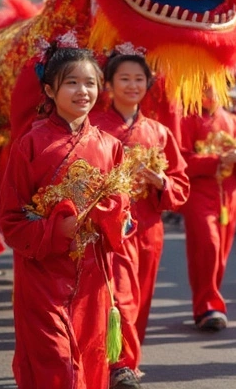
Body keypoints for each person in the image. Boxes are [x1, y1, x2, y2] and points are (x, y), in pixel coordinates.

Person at [0, 41, 133, 389]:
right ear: (49, 90)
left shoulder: (110, 146)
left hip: (92, 277)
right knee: (57, 364)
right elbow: (10, 218)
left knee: (89, 359)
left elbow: (124, 210)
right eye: (71, 82)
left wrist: (109, 214)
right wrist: (58, 229)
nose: (82, 91)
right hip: (42, 276)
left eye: (90, 83)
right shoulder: (29, 144)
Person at [94, 48, 190, 388]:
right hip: (108, 228)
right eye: (124, 78)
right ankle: (121, 366)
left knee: (142, 297)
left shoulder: (159, 133)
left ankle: (127, 361)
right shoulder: (95, 128)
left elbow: (181, 184)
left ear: (148, 84)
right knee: (120, 296)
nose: (132, 85)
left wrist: (161, 181)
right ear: (108, 84)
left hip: (148, 228)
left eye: (139, 79)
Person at [179, 83, 236, 331]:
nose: (212, 94)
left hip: (228, 193)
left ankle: (207, 302)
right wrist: (217, 160)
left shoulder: (235, 121)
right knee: (207, 246)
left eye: (217, 88)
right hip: (200, 192)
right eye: (206, 89)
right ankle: (209, 305)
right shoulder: (187, 120)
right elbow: (181, 160)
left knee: (221, 251)